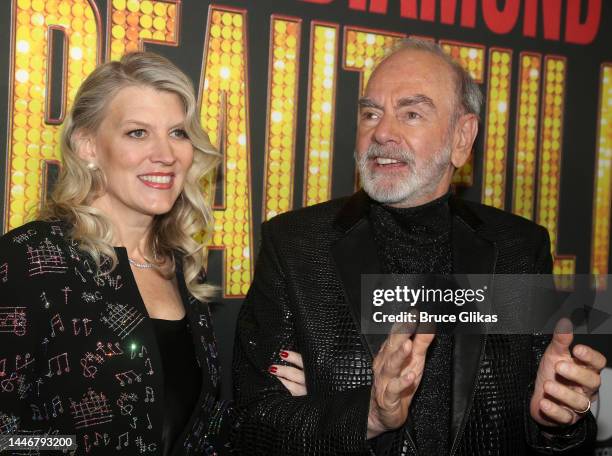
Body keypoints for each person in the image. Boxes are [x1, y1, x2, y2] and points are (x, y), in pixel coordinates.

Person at [232, 39, 605, 455]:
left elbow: (554, 426)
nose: (382, 132)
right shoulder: (295, 246)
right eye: (371, 113)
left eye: (411, 113)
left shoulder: (518, 249)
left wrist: (556, 425)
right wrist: (369, 414)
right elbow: (251, 426)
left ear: (462, 138)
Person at [0, 51, 305, 455]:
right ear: (88, 145)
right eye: (137, 133)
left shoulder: (176, 267)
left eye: (178, 133)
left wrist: (285, 404)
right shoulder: (28, 260)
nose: (165, 154)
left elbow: (194, 431)